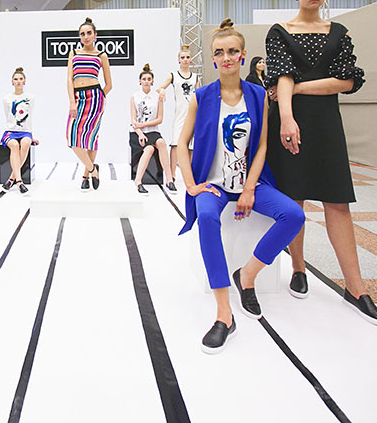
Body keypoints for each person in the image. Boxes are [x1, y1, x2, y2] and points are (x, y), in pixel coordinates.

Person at [264, 0, 377, 328]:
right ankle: (298, 268)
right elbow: (281, 77)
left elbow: (347, 81)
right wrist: (287, 117)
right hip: (291, 121)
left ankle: (356, 288)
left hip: (326, 125)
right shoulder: (280, 32)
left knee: (337, 202)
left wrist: (299, 88)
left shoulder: (339, 33)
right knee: (294, 200)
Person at [176, 19, 305, 354]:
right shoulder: (202, 97)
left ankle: (247, 275)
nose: (227, 57)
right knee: (207, 217)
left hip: (250, 181)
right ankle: (224, 313)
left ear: (243, 55)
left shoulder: (258, 95)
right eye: (220, 53)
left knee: (294, 215)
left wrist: (249, 189)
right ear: (213, 58)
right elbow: (181, 143)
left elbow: (261, 146)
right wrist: (191, 185)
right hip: (214, 185)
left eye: (233, 51)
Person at [66, 17, 112, 191]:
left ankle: (85, 176)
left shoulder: (101, 55)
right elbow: (69, 79)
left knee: (91, 138)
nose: (85, 36)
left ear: (95, 35)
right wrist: (72, 101)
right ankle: (93, 170)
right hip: (77, 98)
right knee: (72, 138)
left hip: (95, 98)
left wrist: (99, 97)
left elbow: (109, 85)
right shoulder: (74, 53)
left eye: (88, 33)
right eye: (82, 34)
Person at [130, 63, 176, 195]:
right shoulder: (134, 96)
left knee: (161, 143)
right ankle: (138, 181)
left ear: (152, 82)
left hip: (153, 131)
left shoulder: (158, 97)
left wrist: (142, 125)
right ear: (140, 81)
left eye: (149, 79)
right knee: (149, 149)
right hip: (137, 132)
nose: (146, 81)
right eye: (144, 79)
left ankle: (169, 179)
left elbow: (160, 119)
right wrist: (140, 132)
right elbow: (133, 120)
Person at [157, 44, 201, 181]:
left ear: (190, 60)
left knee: (191, 146)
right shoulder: (174, 76)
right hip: (180, 115)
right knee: (175, 144)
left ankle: (190, 174)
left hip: (192, 114)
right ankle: (172, 174)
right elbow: (160, 88)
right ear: (178, 60)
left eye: (187, 57)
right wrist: (162, 91)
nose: (185, 59)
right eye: (183, 57)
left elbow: (199, 95)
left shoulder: (195, 77)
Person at [0, 67, 37, 195]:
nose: (18, 81)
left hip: (25, 131)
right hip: (11, 131)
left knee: (26, 143)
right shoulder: (7, 98)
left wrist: (31, 135)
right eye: (16, 79)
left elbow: (29, 117)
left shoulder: (30, 98)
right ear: (12, 82)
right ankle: (19, 181)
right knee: (15, 146)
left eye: (21, 79)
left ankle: (11, 179)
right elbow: (8, 116)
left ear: (24, 81)